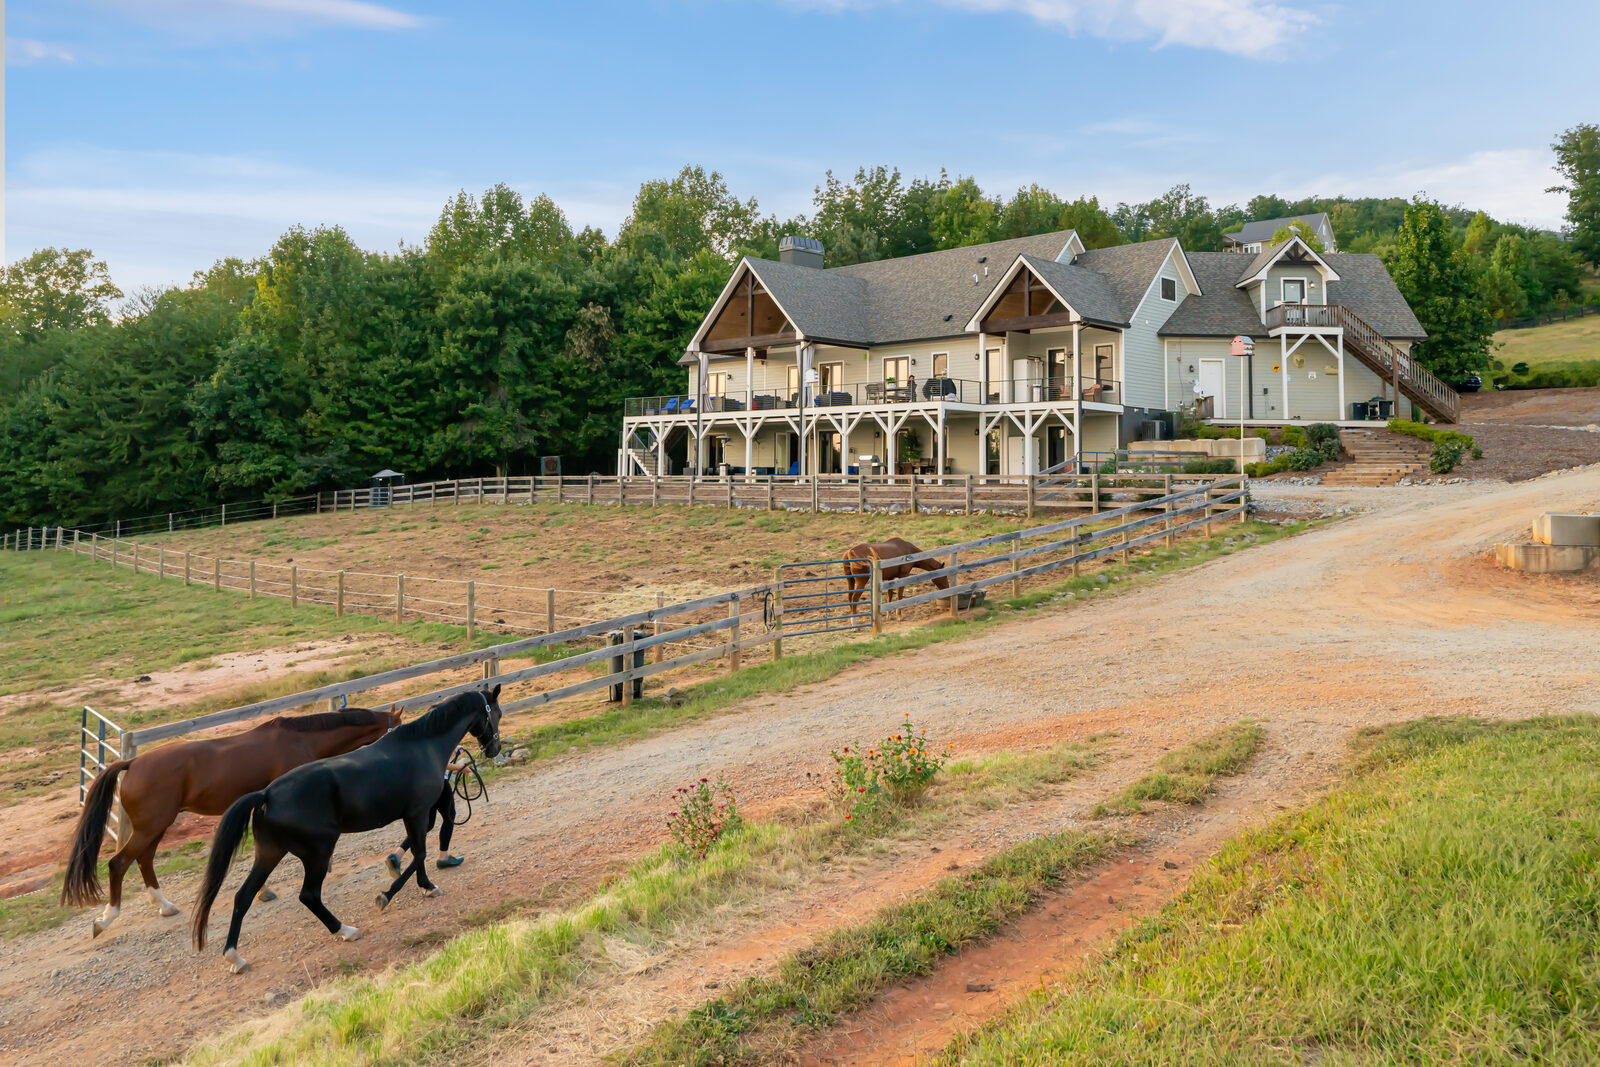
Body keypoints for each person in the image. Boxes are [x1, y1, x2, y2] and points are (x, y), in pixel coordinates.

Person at [385, 746, 469, 876]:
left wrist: (453, 748)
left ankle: (396, 856)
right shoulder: (436, 733)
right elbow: (440, 763)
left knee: (427, 824)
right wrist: (460, 768)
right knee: (449, 816)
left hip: (424, 783)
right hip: (438, 781)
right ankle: (443, 857)